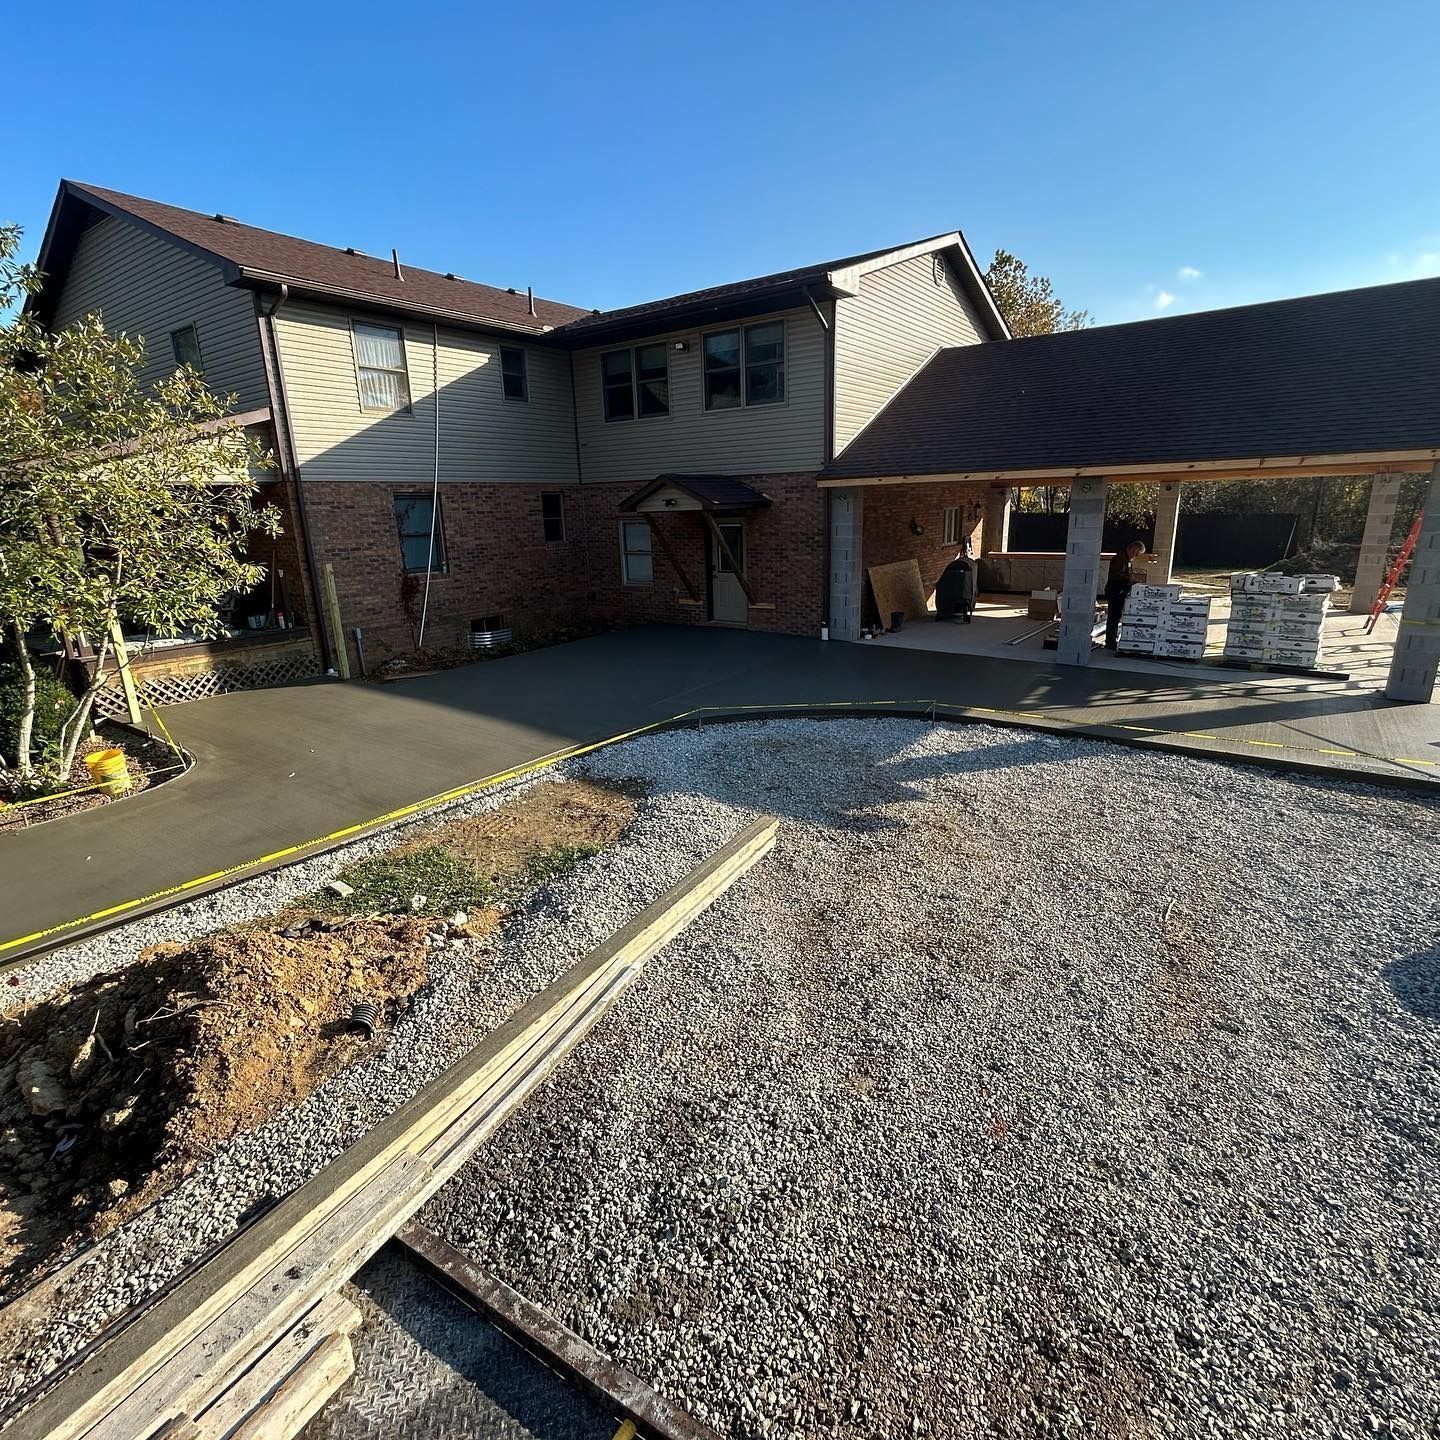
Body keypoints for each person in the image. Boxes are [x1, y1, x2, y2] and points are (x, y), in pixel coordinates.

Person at [1104, 539, 1147, 650]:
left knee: (1116, 616)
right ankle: (1110, 642)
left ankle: (1112, 640)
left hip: (1120, 590)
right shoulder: (1120, 558)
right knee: (1113, 616)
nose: (1136, 556)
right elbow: (1116, 575)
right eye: (1136, 553)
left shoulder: (1127, 559)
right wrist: (1130, 580)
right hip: (1115, 590)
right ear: (1132, 549)